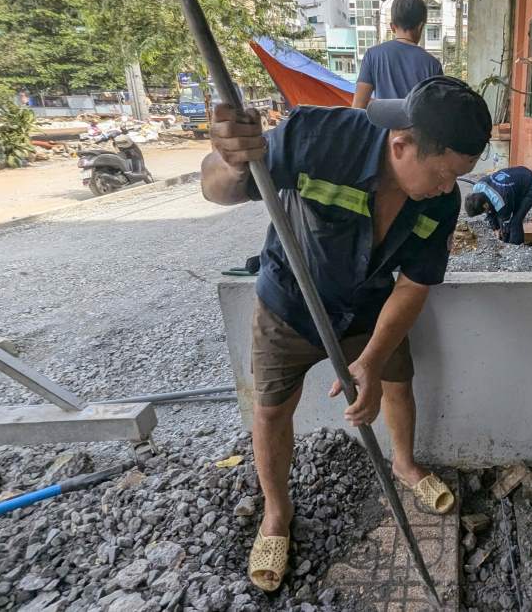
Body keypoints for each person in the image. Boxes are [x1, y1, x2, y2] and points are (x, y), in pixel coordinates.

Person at [202, 76, 492, 592]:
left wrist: (373, 361)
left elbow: (414, 285)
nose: (450, 189)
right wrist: (230, 159)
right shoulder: (316, 135)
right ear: (401, 145)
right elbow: (217, 189)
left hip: (368, 308)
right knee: (270, 409)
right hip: (290, 302)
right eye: (445, 174)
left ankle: (404, 465)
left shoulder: (440, 202)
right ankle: (276, 513)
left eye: (459, 177)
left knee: (399, 381)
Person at [352, 0, 443, 108]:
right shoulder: (433, 64)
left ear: (392, 27)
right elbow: (437, 112)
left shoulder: (372, 55)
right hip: (418, 126)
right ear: (420, 26)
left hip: (382, 125)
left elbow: (358, 106)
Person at [463, 166, 532, 244]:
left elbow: (505, 220)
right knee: (501, 215)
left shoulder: (502, 201)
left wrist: (505, 237)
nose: (484, 212)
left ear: (485, 205)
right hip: (517, 180)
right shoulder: (478, 187)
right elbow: (490, 211)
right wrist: (496, 229)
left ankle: (516, 247)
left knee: (515, 221)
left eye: (482, 211)